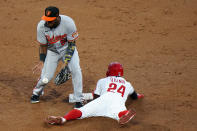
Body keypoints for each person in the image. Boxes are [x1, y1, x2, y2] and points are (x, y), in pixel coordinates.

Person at [45, 62, 144, 125]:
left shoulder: (103, 80)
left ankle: (63, 119)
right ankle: (126, 114)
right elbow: (135, 96)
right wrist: (140, 95)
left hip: (104, 98)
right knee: (119, 112)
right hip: (117, 101)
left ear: (108, 72)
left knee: (81, 111)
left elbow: (96, 97)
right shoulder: (127, 84)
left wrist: (86, 98)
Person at [31, 6, 84, 108]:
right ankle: (36, 92)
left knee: (76, 70)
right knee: (46, 78)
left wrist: (66, 62)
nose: (48, 23)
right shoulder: (41, 26)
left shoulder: (68, 23)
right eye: (47, 20)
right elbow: (43, 45)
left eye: (50, 21)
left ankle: (79, 100)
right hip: (52, 51)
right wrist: (42, 61)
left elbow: (72, 44)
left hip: (66, 49)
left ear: (57, 18)